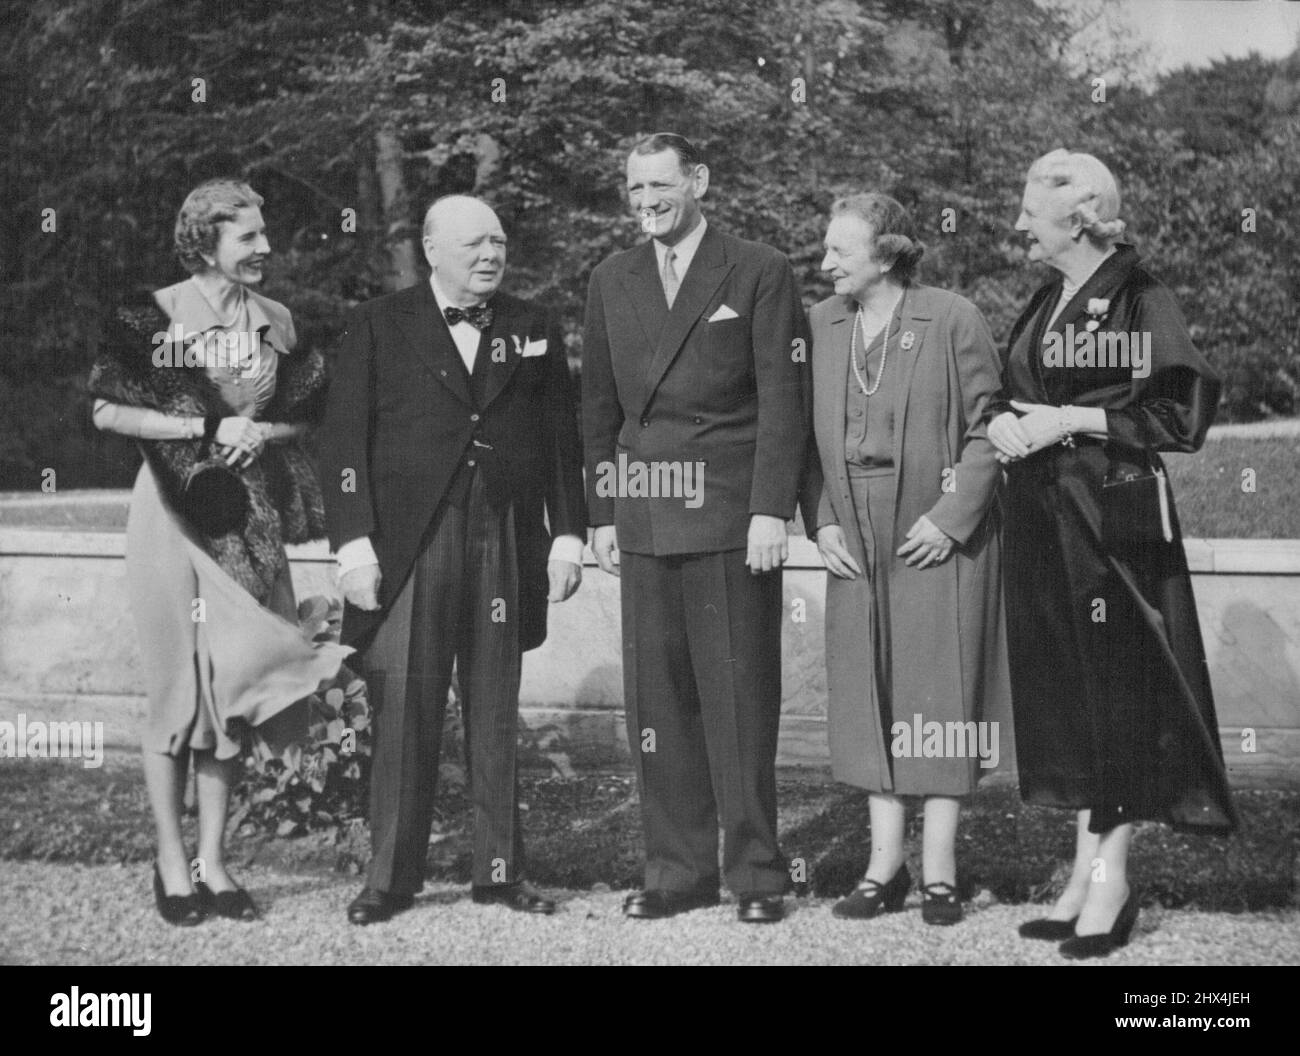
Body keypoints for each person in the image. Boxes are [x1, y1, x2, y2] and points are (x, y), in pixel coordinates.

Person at [987, 149, 1237, 958]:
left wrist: (1075, 422)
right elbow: (1005, 387)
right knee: (1071, 691)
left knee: (1120, 691)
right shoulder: (1044, 298)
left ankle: (1111, 883)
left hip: (1112, 523)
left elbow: (1182, 409)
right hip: (1040, 518)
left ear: (1081, 213)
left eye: (1031, 210)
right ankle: (1082, 875)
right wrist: (998, 422)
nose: (1019, 224)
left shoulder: (1141, 296)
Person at [319, 194, 587, 925]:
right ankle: (390, 879)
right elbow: (342, 443)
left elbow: (563, 436)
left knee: (496, 705)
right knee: (404, 706)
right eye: (474, 245)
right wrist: (352, 550)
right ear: (433, 250)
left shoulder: (533, 325)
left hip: (503, 534)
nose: (491, 255)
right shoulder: (380, 324)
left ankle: (499, 873)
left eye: (499, 242)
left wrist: (568, 536)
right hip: (412, 542)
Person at [88, 178, 349, 925]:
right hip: (174, 514)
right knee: (179, 690)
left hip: (250, 519)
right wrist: (204, 430)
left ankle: (215, 861)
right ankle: (172, 865)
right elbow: (107, 408)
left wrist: (268, 432)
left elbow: (302, 416)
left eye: (265, 235)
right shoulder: (156, 314)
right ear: (206, 241)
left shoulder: (278, 320)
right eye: (249, 237)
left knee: (233, 687)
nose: (266, 248)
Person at [582, 133, 807, 924]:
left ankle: (756, 875)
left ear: (699, 181)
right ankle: (675, 872)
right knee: (660, 705)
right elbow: (598, 408)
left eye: (660, 187)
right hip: (643, 515)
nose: (646, 203)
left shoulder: (759, 269)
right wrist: (600, 513)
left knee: (739, 700)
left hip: (728, 518)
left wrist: (770, 511)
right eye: (634, 188)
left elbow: (785, 399)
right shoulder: (610, 279)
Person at [801, 194, 1010, 926]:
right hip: (852, 531)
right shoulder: (820, 327)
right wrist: (820, 521)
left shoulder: (952, 317)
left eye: (839, 251)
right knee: (870, 690)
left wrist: (953, 519)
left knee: (939, 695)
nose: (824, 262)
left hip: (934, 526)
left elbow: (991, 429)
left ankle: (941, 871)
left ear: (886, 255)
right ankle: (883, 868)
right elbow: (797, 438)